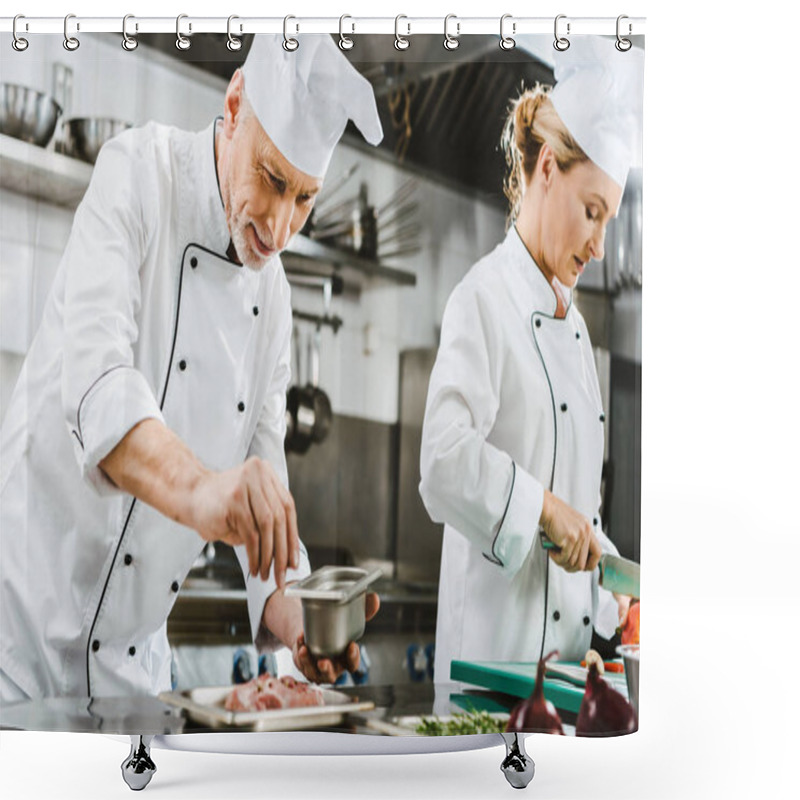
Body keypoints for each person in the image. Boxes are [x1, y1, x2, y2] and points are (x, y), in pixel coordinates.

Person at [0, 34, 382, 703]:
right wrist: (205, 492)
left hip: (132, 677)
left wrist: (302, 622)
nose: (281, 224)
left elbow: (268, 494)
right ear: (235, 104)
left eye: (305, 198)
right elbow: (99, 384)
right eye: (272, 179)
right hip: (18, 639)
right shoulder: (138, 173)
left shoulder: (275, 295)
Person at [419, 36, 644, 683]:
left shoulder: (576, 336)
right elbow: (441, 460)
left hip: (565, 684)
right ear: (547, 169)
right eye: (592, 212)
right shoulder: (482, 300)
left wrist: (610, 592)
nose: (600, 246)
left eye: (610, 219)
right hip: (488, 683)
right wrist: (542, 507)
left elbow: (580, 517)